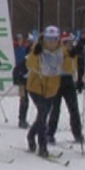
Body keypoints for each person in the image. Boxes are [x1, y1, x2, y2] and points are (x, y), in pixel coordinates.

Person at [25, 27, 64, 157]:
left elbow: (68, 66)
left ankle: (31, 134)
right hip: (36, 87)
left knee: (43, 115)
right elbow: (30, 64)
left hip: (52, 88)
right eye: (48, 40)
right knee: (42, 115)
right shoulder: (37, 48)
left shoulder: (61, 51)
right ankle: (42, 146)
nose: (51, 43)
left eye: (54, 40)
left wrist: (75, 54)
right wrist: (35, 54)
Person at [46, 32, 84, 144]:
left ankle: (77, 133)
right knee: (55, 109)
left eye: (72, 42)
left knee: (74, 109)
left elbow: (75, 64)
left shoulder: (72, 51)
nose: (71, 44)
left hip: (68, 80)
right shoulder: (60, 50)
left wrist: (80, 79)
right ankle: (49, 134)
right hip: (57, 80)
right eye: (69, 42)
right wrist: (70, 53)